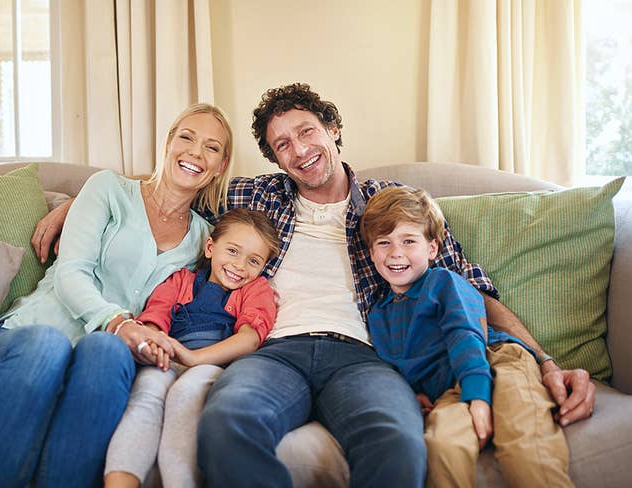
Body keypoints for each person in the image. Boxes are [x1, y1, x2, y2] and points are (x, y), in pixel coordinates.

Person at [31, 83, 595, 487]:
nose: (299, 150)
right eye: (283, 144)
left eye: (307, 132)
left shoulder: (390, 204)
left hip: (365, 358)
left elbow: (471, 288)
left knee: (398, 441)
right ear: (273, 158)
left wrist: (544, 360)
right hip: (273, 352)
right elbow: (174, 181)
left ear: (334, 131)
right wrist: (77, 202)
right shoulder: (253, 198)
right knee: (226, 426)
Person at [0, 102, 236, 488]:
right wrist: (118, 321)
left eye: (211, 147)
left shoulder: (204, 241)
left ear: (220, 165)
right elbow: (71, 272)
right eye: (186, 138)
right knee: (49, 345)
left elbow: (179, 312)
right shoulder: (108, 188)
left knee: (107, 351)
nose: (194, 152)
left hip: (96, 367)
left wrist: (150, 342)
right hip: (22, 342)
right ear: (168, 144)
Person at [361, 186, 574, 488]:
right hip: (450, 389)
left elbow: (466, 335)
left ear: (432, 249)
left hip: (497, 360)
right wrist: (414, 393)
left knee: (524, 440)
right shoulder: (378, 316)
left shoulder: (443, 282)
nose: (396, 253)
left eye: (409, 241)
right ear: (371, 253)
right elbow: (395, 366)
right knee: (443, 444)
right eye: (384, 243)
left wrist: (478, 398)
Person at [103, 208, 282, 488]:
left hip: (215, 366)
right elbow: (155, 320)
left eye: (253, 260)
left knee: (185, 394)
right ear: (210, 247)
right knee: (147, 391)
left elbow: (249, 340)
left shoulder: (256, 290)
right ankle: (119, 482)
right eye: (233, 251)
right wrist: (155, 344)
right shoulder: (180, 280)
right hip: (169, 357)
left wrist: (193, 358)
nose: (239, 265)